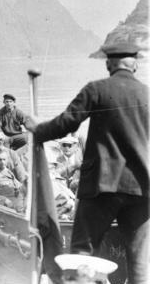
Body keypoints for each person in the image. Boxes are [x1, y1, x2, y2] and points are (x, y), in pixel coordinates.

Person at [25, 41, 149, 284]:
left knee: (83, 253)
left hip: (102, 187)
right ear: (135, 64)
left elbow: (66, 124)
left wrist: (37, 129)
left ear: (108, 64)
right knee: (139, 264)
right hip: (142, 189)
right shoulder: (147, 94)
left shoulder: (97, 90)